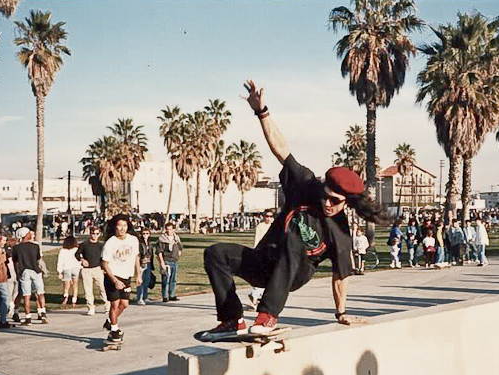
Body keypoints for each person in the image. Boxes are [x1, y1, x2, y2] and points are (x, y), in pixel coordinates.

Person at [200, 80, 387, 338]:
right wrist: (261, 112)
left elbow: (340, 276)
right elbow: (281, 150)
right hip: (264, 262)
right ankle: (233, 319)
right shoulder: (305, 184)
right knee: (215, 253)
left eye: (336, 202)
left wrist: (341, 312)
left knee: (295, 241)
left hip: (294, 272)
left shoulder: (340, 231)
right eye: (327, 197)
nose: (328, 205)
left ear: (347, 203)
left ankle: (267, 316)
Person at [101, 214, 141, 342]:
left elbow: (136, 257)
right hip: (113, 276)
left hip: (126, 276)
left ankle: (110, 321)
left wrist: (138, 274)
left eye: (124, 225)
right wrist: (115, 280)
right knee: (115, 304)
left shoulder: (133, 240)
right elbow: (104, 264)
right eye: (119, 226)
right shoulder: (110, 243)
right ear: (115, 227)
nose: (122, 228)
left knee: (124, 304)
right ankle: (114, 330)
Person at [12, 228, 48, 325]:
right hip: (35, 271)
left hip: (24, 271)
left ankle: (28, 317)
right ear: (25, 235)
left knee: (26, 295)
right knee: (40, 293)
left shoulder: (16, 248)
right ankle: (43, 313)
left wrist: (17, 274)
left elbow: (16, 263)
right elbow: (38, 260)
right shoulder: (35, 246)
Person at [76, 226, 109, 316]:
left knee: (103, 288)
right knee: (88, 290)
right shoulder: (84, 244)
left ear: (99, 234)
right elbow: (77, 254)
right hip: (86, 270)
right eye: (93, 233)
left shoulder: (101, 246)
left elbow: (104, 258)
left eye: (97, 234)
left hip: (97, 269)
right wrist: (82, 260)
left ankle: (107, 306)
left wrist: (104, 269)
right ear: (90, 233)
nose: (95, 235)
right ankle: (91, 307)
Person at [248, 210, 275, 308]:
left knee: (269, 276)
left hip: (272, 253)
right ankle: (255, 295)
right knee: (263, 275)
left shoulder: (274, 226)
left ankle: (257, 296)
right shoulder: (260, 226)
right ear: (263, 217)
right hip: (262, 252)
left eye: (270, 216)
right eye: (266, 216)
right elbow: (257, 240)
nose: (268, 218)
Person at [156, 222, 183, 302]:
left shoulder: (176, 238)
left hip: (175, 261)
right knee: (165, 279)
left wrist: (179, 253)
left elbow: (180, 247)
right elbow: (159, 252)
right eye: (167, 229)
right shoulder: (162, 239)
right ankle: (165, 296)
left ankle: (172, 295)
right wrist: (162, 262)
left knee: (173, 279)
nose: (168, 231)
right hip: (166, 261)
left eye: (170, 229)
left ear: (173, 230)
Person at [57, 236, 82, 309]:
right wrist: (81, 268)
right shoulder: (76, 250)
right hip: (75, 268)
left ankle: (65, 297)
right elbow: (79, 259)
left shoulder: (63, 251)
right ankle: (74, 300)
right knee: (75, 285)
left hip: (66, 268)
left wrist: (59, 271)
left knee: (66, 285)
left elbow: (60, 261)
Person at [136, 227, 155, 305]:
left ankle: (145, 297)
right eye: (143, 233)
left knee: (147, 280)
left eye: (147, 233)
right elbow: (138, 254)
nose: (145, 235)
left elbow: (151, 254)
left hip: (149, 263)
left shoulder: (149, 243)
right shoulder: (140, 243)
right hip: (142, 263)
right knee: (140, 280)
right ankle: (139, 298)